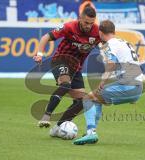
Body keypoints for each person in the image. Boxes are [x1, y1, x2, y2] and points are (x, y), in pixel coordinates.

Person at [33, 6, 100, 137]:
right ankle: (46, 115)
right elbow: (46, 37)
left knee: (82, 102)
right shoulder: (70, 27)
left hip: (76, 68)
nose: (88, 26)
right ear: (80, 18)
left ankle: (58, 128)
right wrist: (40, 54)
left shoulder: (97, 31)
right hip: (60, 60)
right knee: (65, 84)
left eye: (91, 23)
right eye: (86, 22)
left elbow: (108, 44)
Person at [73, 20, 143, 145]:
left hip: (128, 86)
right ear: (114, 31)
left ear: (100, 32)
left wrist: (103, 80)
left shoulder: (110, 44)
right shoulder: (125, 43)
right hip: (137, 86)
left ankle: (91, 132)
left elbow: (111, 64)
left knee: (88, 98)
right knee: (97, 99)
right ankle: (91, 131)